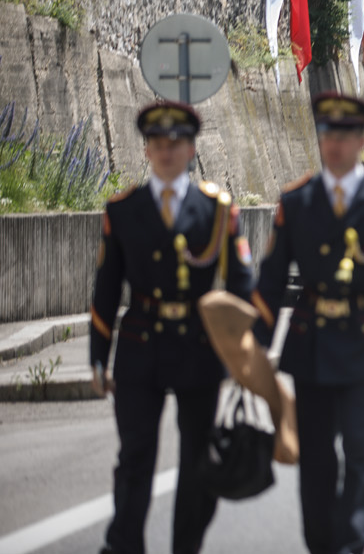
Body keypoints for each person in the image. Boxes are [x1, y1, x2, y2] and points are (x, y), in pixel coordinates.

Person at [251, 92, 364, 554]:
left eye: (345, 136)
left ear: (361, 141)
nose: (335, 144)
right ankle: (320, 542)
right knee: (316, 456)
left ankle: (349, 543)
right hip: (311, 342)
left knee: (359, 446)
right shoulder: (297, 200)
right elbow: (269, 282)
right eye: (328, 133)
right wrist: (254, 345)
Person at [90, 100, 255, 554]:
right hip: (140, 346)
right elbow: (106, 289)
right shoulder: (123, 210)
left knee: (197, 459)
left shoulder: (217, 209)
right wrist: (97, 358)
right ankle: (123, 544)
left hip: (199, 349)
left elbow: (242, 283)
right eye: (158, 144)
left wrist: (241, 348)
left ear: (191, 150)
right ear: (146, 151)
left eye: (176, 144)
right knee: (135, 456)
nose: (166, 152)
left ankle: (187, 546)